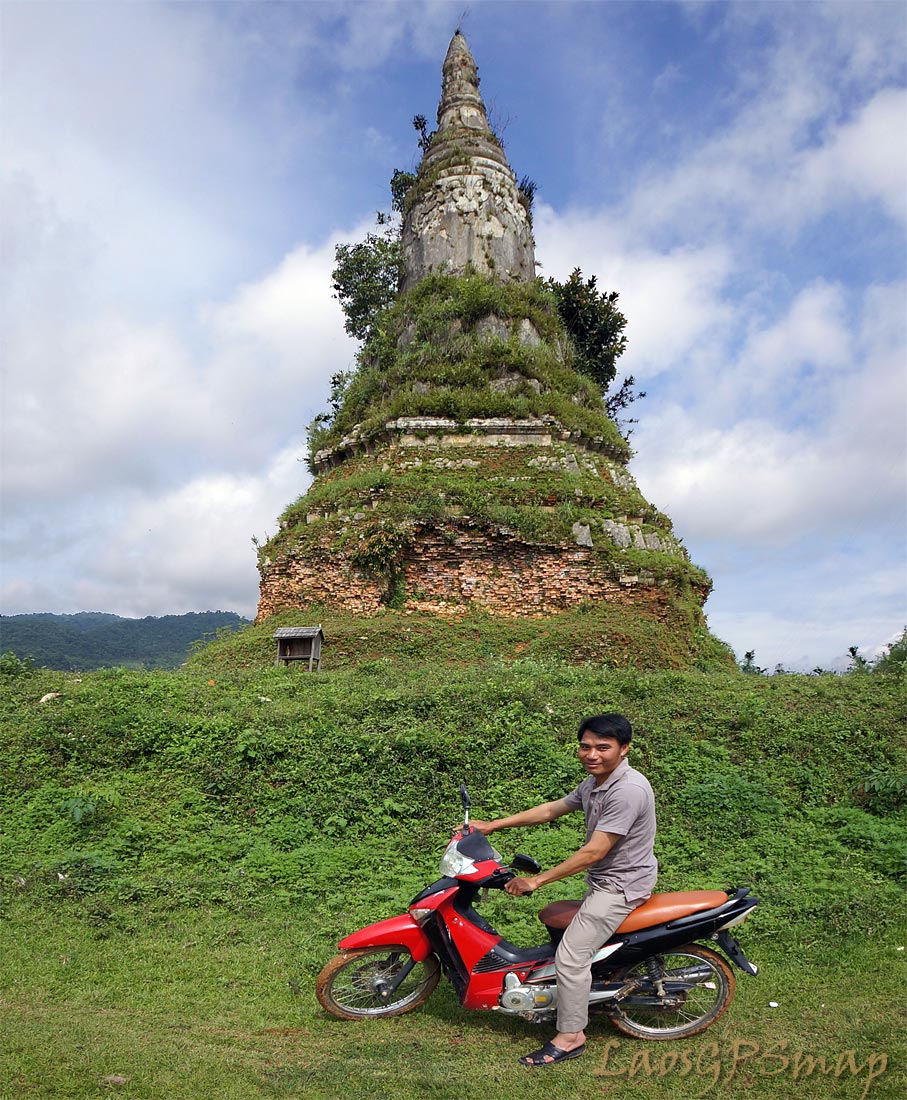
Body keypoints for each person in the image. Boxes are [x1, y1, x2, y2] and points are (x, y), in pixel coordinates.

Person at [471, 713, 656, 1068]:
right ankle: (574, 991)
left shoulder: (627, 790)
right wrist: (493, 825)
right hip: (604, 880)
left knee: (570, 958)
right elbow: (550, 810)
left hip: (620, 887)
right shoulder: (596, 782)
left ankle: (571, 1037)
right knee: (554, 918)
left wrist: (536, 881)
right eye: (585, 746)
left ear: (624, 749)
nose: (592, 754)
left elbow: (594, 852)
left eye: (603, 747)